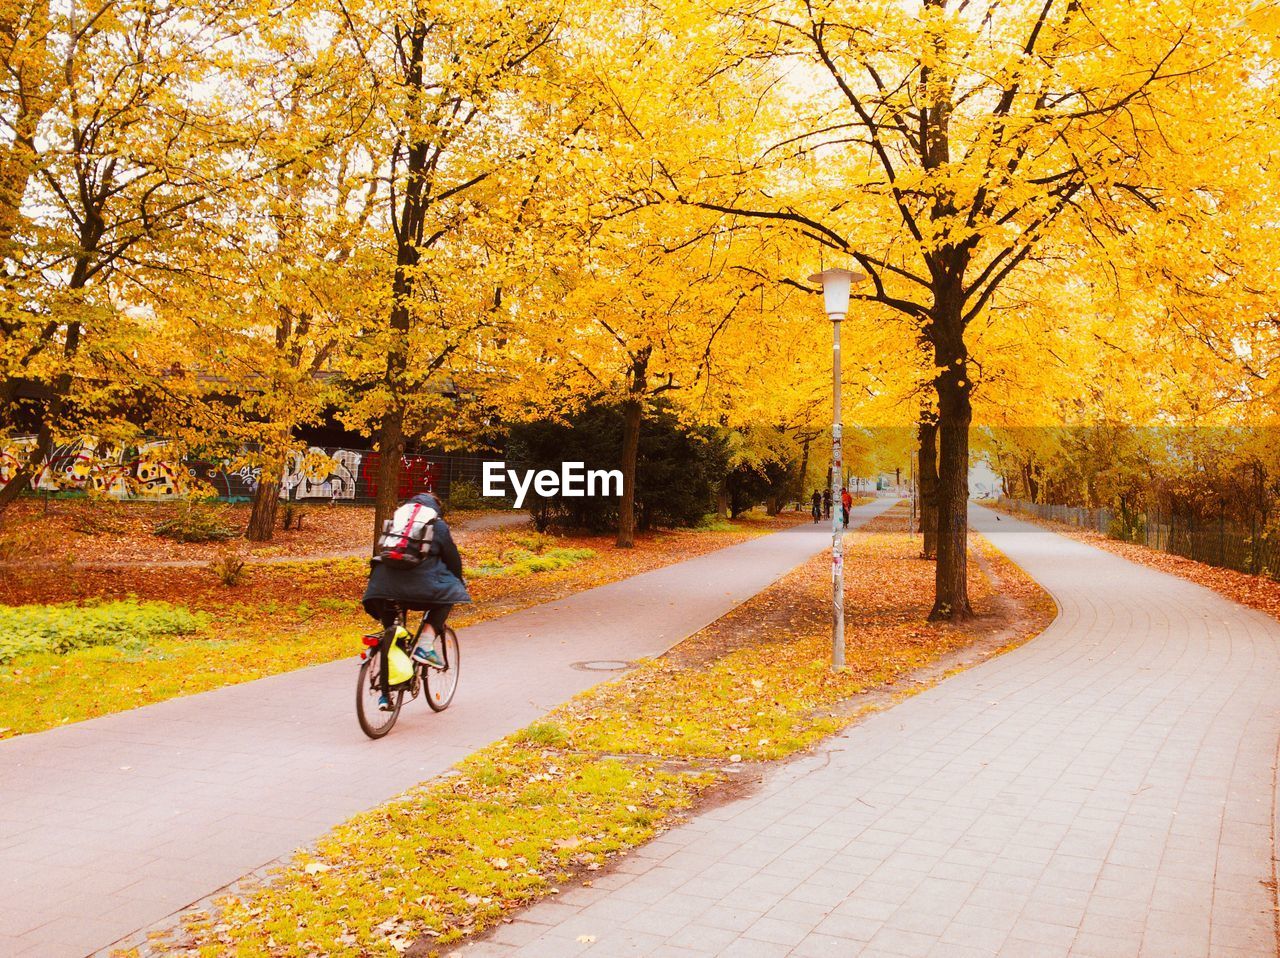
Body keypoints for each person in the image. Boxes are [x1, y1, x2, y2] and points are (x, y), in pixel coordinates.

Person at [362, 490, 470, 708]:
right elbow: (452, 559)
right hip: (420, 588)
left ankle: (386, 695)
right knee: (448, 597)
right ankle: (425, 644)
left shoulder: (397, 521)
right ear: (436, 507)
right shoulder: (436, 525)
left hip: (382, 587)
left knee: (393, 637)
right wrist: (459, 581)